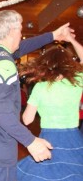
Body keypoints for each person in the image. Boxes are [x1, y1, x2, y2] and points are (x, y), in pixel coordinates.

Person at [0, 9, 75, 181]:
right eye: (20, 30)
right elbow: (0, 112)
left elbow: (21, 48)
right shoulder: (3, 65)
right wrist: (31, 141)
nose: (21, 34)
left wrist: (52, 35)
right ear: (12, 31)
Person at [17, 36, 83, 181]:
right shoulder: (78, 81)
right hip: (73, 140)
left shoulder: (40, 88)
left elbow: (27, 120)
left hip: (49, 140)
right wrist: (72, 39)